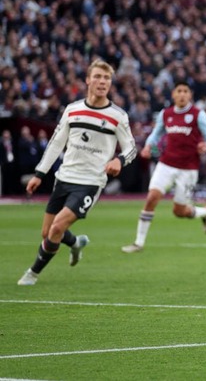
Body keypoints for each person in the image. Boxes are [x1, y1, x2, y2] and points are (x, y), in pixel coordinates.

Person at [18, 59, 137, 286]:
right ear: (88, 80)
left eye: (107, 78)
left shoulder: (117, 115)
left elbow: (131, 147)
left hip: (90, 182)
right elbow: (55, 143)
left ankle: (32, 273)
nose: (102, 82)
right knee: (47, 233)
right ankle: (75, 244)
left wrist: (120, 160)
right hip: (64, 178)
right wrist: (39, 174)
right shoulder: (73, 110)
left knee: (57, 227)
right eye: (98, 77)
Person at [121, 81, 206, 253]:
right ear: (173, 95)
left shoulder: (198, 114)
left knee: (179, 211)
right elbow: (156, 134)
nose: (181, 94)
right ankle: (139, 243)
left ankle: (205, 212)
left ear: (190, 95)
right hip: (166, 164)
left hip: (188, 169)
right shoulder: (166, 114)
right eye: (178, 91)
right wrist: (148, 146)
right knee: (152, 198)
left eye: (185, 91)